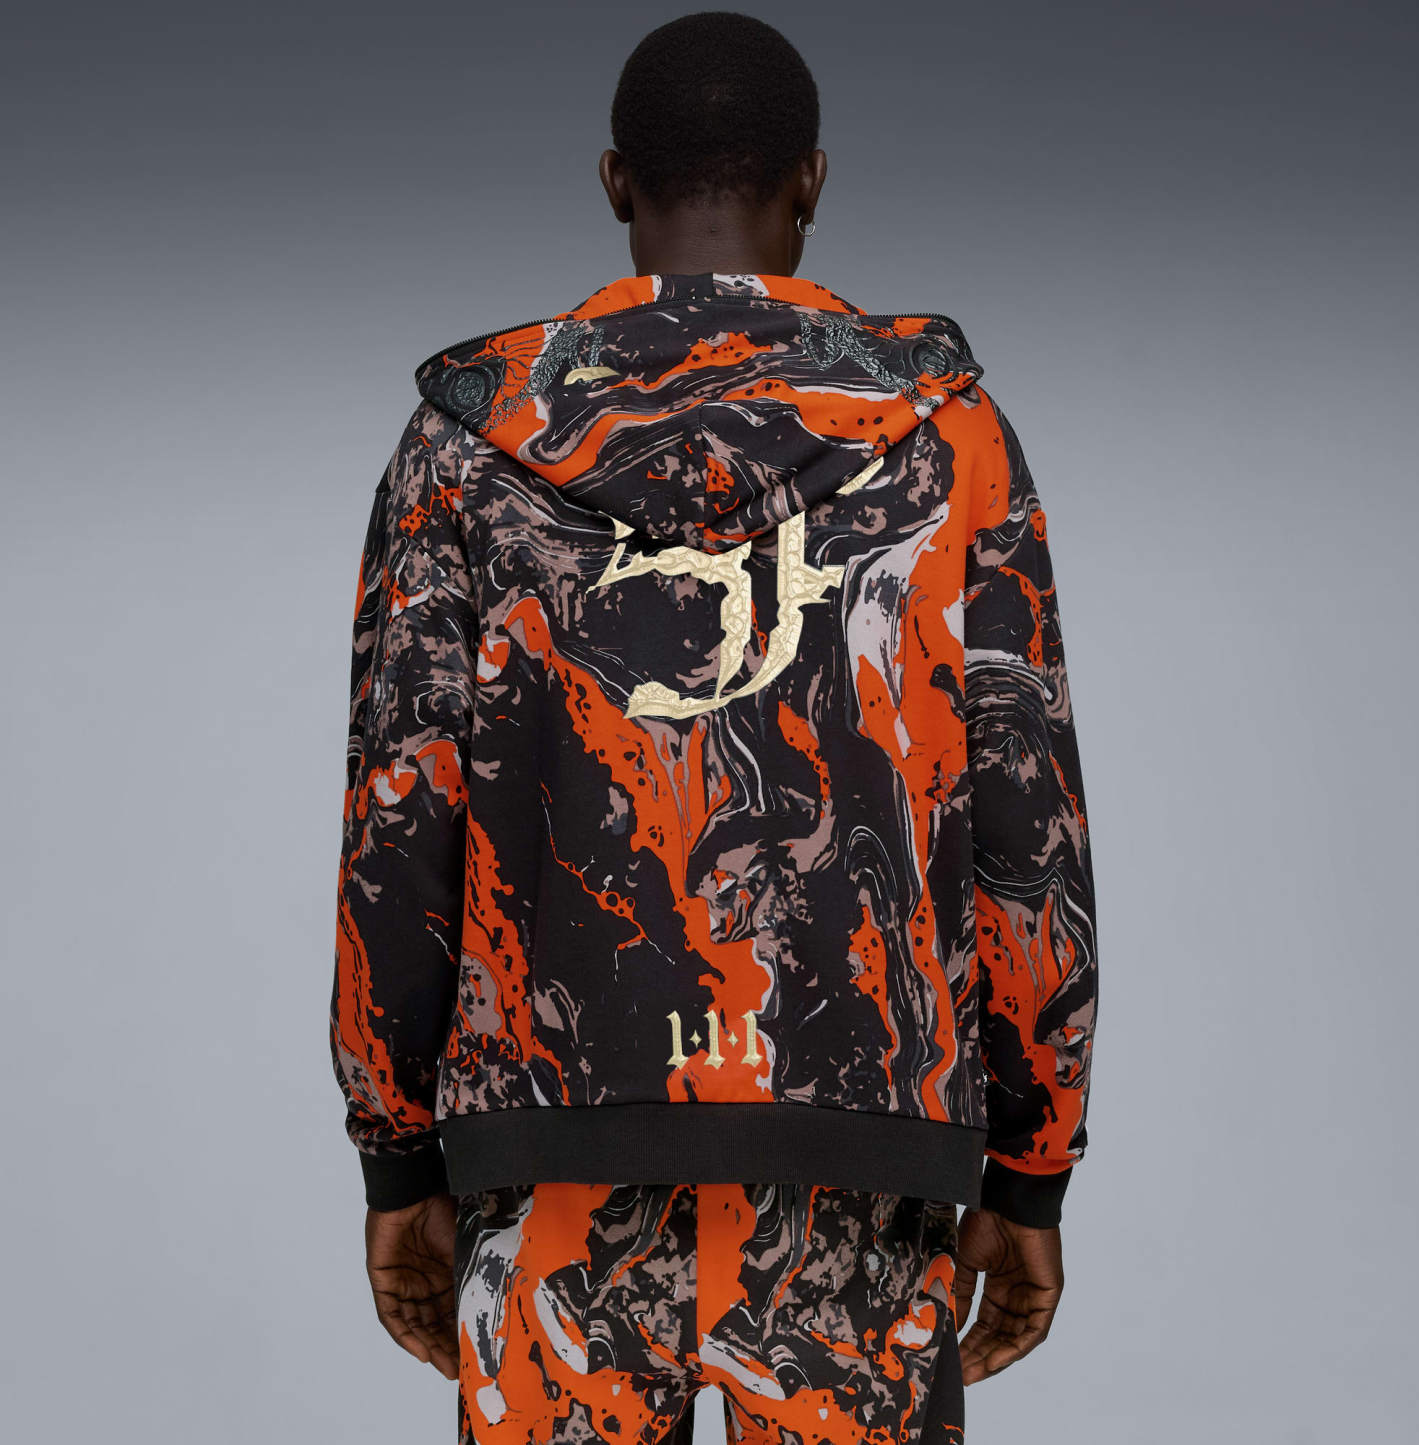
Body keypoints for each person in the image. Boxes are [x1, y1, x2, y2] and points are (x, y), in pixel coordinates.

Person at [329, 11, 1099, 1443]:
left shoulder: (463, 450)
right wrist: (1030, 1166)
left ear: (615, 181)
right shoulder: (952, 441)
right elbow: (1023, 819)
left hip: (546, 1151)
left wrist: (397, 1155)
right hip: (863, 1155)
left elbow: (400, 814)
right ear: (812, 183)